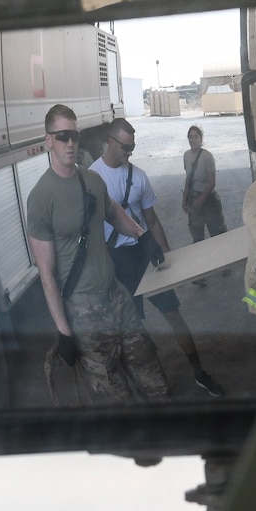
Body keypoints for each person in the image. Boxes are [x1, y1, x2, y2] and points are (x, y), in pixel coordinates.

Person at [24, 105, 168, 404]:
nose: (70, 143)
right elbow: (47, 275)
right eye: (62, 136)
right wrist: (64, 332)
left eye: (74, 136)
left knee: (154, 378)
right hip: (84, 314)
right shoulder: (41, 198)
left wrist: (143, 237)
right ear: (48, 140)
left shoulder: (91, 181)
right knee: (116, 398)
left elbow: (114, 213)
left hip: (117, 298)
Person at [88, 118, 226, 397]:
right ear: (110, 142)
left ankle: (199, 373)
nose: (131, 152)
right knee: (128, 328)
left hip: (143, 254)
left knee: (174, 315)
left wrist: (168, 258)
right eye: (126, 146)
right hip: (115, 259)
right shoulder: (92, 178)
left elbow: (152, 221)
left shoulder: (137, 176)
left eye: (134, 146)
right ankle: (141, 385)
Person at [181, 124, 228, 240]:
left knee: (217, 234)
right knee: (197, 236)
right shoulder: (186, 156)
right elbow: (188, 178)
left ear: (201, 139)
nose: (193, 140)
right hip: (193, 199)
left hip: (209, 200)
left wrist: (201, 199)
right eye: (190, 137)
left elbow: (212, 183)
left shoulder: (207, 156)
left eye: (196, 137)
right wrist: (184, 199)